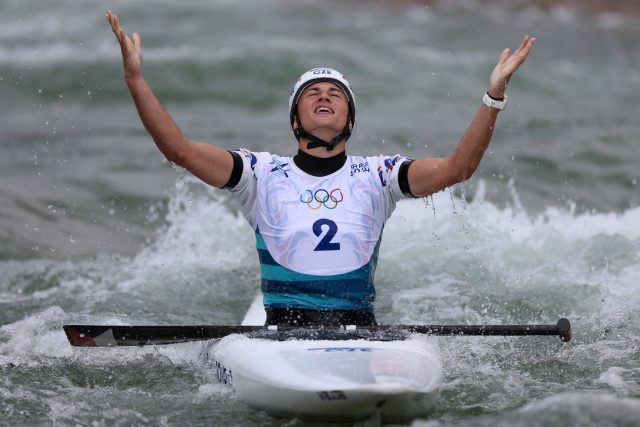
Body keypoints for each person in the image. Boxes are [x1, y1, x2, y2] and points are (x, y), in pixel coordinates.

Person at [105, 11, 535, 327]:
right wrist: (135, 80)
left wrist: (492, 95)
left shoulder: (380, 175)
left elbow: (457, 169)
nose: (324, 97)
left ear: (350, 120)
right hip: (280, 333)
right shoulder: (259, 174)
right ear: (295, 119)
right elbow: (179, 150)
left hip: (359, 330)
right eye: (312, 93)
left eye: (335, 93)